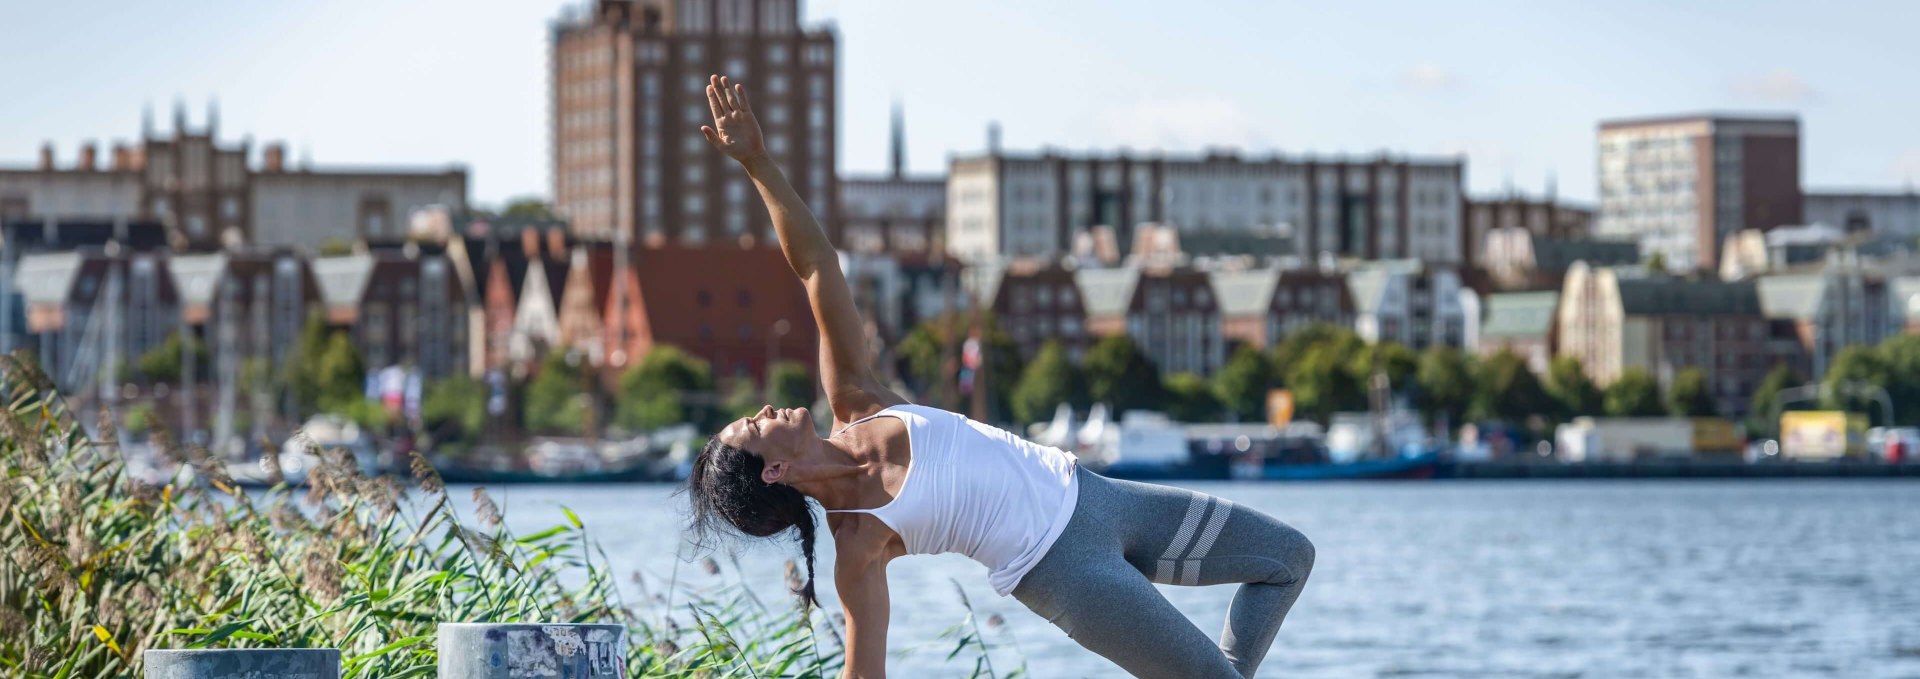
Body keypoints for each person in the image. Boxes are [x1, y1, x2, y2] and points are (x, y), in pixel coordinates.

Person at [686, 75, 1315, 679]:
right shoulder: (858, 545)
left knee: (1287, 559)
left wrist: (758, 165)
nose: (765, 410)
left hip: (1100, 497)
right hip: (1061, 571)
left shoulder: (858, 400)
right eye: (753, 426)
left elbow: (818, 266)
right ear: (773, 471)